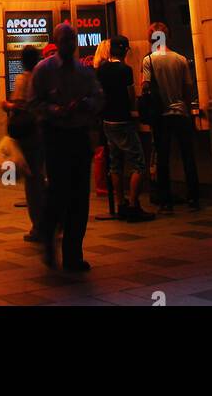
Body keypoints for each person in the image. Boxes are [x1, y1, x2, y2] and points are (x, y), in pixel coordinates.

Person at [32, 21, 103, 272]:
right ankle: (49, 237)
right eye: (65, 39)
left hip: (78, 136)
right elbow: (35, 103)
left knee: (80, 197)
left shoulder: (84, 72)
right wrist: (55, 110)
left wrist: (86, 105)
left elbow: (97, 97)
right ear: (57, 40)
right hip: (56, 136)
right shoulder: (44, 70)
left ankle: (73, 253)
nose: (70, 44)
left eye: (73, 39)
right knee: (58, 192)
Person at [143, 22, 199, 212]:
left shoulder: (149, 60)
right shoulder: (181, 59)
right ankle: (194, 197)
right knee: (188, 156)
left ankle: (165, 200)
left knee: (163, 158)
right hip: (181, 112)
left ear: (152, 38)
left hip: (162, 115)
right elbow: (188, 88)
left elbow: (146, 87)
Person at [97, 36, 152, 222]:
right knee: (138, 163)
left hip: (107, 120)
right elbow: (130, 95)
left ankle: (120, 203)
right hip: (123, 119)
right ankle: (134, 204)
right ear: (125, 51)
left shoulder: (101, 70)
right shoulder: (125, 70)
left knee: (115, 164)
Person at [4, 44, 45, 242]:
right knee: (41, 176)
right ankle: (51, 220)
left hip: (28, 135)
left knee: (33, 180)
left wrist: (7, 106)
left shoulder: (22, 79)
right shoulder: (41, 77)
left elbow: (20, 106)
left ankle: (39, 225)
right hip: (43, 132)